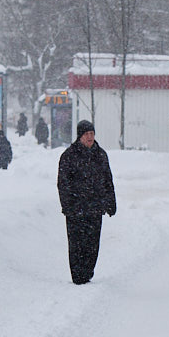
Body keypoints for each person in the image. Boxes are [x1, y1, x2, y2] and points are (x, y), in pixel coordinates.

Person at [57, 120, 116, 284]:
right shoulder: (69, 156)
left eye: (92, 134)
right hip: (76, 209)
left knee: (92, 244)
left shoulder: (100, 155)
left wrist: (111, 202)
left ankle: (88, 272)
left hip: (95, 208)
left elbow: (107, 181)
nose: (90, 137)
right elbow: (63, 183)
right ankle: (77, 276)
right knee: (77, 244)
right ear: (80, 136)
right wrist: (67, 205)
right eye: (86, 134)